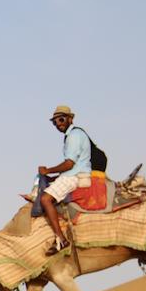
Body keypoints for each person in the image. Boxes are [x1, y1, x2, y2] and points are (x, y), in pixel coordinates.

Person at [37, 105, 93, 255]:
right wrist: (53, 176)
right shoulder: (72, 135)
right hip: (73, 173)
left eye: (61, 119)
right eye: (55, 122)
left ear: (70, 118)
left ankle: (61, 239)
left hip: (75, 175)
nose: (58, 124)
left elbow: (70, 164)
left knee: (45, 199)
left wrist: (47, 170)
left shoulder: (74, 136)